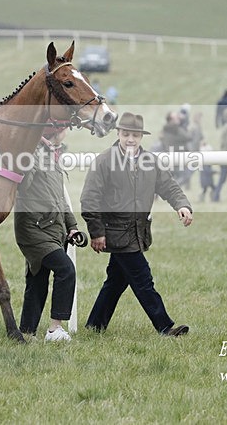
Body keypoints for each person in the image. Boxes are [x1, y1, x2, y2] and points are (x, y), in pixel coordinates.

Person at [80, 112, 193, 337]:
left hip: (138, 232)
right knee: (143, 280)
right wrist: (96, 232)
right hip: (116, 234)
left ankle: (94, 326)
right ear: (118, 134)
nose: (130, 139)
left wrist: (182, 205)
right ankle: (165, 327)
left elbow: (169, 187)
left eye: (135, 135)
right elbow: (89, 199)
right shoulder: (104, 161)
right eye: (126, 134)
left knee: (115, 282)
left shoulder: (151, 161)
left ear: (141, 136)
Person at [14, 126, 79, 342]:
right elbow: (23, 187)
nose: (67, 131)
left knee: (37, 278)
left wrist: (72, 226)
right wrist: (32, 155)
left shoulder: (52, 155)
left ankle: (26, 331)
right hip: (33, 229)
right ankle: (54, 329)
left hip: (53, 228)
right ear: (56, 131)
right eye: (65, 127)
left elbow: (60, 198)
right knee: (66, 269)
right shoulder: (31, 153)